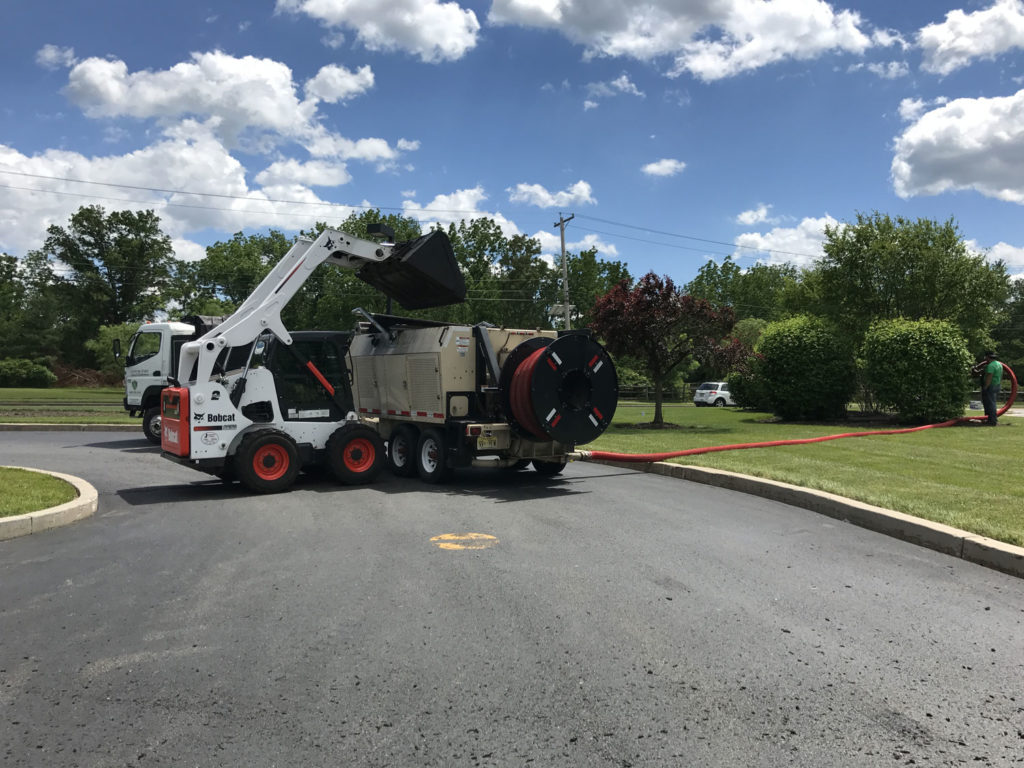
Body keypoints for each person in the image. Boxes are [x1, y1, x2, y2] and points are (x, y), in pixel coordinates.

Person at [976, 350, 1003, 425]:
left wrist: (985, 386)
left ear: (987, 357)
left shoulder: (990, 366)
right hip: (997, 384)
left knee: (990, 403)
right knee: (992, 402)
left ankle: (992, 421)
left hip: (990, 386)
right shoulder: (999, 364)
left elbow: (989, 377)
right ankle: (990, 419)